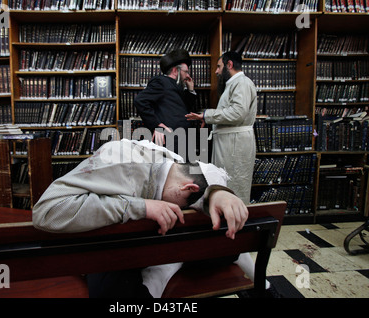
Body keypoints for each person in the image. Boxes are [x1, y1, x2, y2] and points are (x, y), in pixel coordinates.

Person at [32, 139, 251, 298]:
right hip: (106, 243)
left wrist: (217, 193)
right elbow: (46, 212)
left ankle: (170, 263)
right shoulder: (118, 164)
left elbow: (203, 176)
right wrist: (140, 206)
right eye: (186, 203)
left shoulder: (173, 163)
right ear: (187, 188)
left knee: (221, 241)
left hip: (143, 243)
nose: (182, 208)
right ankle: (169, 264)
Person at [186, 51, 257, 205]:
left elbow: (238, 113)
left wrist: (207, 115)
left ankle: (235, 223)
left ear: (229, 65)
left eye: (219, 67)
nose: (216, 71)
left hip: (235, 145)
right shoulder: (234, 84)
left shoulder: (242, 83)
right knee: (225, 185)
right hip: (230, 143)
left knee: (235, 186)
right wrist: (209, 119)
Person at [134, 49, 197, 159]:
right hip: (170, 141)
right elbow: (140, 100)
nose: (187, 75)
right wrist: (156, 124)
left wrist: (191, 90)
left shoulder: (177, 86)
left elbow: (184, 108)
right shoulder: (161, 82)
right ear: (175, 70)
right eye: (185, 72)